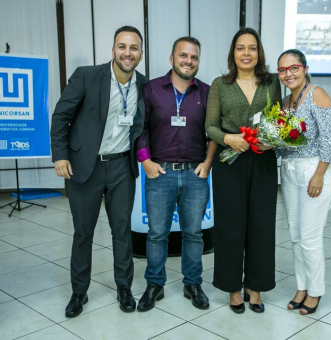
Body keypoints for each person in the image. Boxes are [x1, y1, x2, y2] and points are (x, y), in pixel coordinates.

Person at [50, 26, 147, 317]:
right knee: (83, 233)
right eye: (122, 46)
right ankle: (79, 292)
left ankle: (124, 288)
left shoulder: (144, 85)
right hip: (85, 167)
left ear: (140, 53)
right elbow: (61, 117)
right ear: (113, 49)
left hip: (121, 167)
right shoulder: (87, 76)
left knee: (122, 232)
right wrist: (60, 156)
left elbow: (144, 129)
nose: (127, 53)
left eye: (133, 48)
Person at [136, 37, 217, 312]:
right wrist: (145, 161)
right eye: (183, 55)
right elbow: (140, 128)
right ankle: (154, 284)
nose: (188, 61)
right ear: (172, 58)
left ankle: (193, 283)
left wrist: (207, 162)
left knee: (193, 234)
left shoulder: (206, 92)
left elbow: (214, 132)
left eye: (194, 57)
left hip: (195, 175)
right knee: (157, 233)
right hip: (160, 173)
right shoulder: (151, 89)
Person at [205, 27, 281, 314]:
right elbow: (209, 125)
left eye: (252, 48)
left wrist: (273, 139)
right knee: (230, 226)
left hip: (262, 161)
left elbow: (277, 119)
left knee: (262, 225)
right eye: (240, 48)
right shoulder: (220, 84)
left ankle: (255, 287)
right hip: (230, 161)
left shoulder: (272, 82)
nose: (246, 53)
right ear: (232, 53)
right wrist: (228, 138)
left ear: (258, 52)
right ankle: (233, 289)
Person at [276, 49, 331, 315]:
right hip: (290, 171)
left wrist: (319, 174)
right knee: (295, 235)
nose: (288, 74)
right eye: (282, 70)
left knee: (310, 238)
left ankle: (315, 292)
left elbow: (330, 139)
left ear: (304, 68)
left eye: (294, 68)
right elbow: (283, 145)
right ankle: (301, 287)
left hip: (316, 170)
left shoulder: (317, 94)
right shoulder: (284, 101)